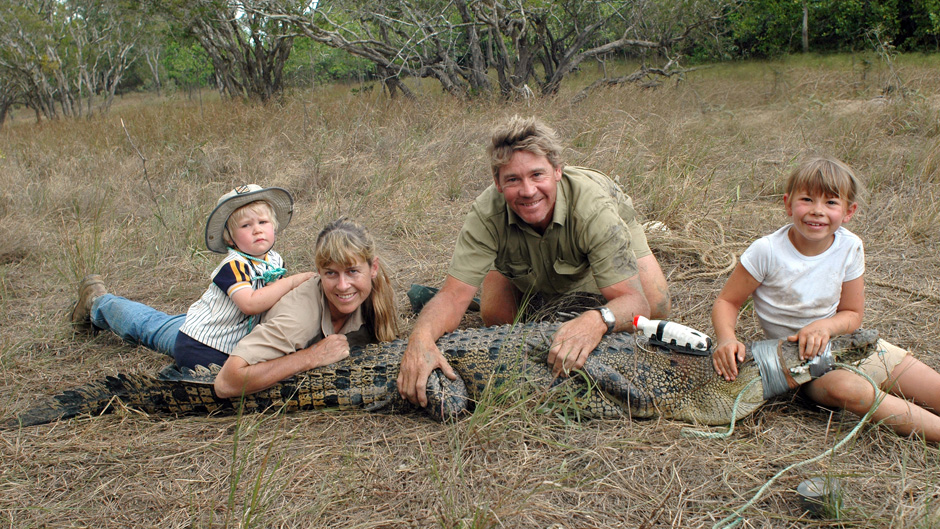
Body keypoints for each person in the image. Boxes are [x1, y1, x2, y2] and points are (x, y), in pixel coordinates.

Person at [398, 115, 670, 408]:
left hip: (600, 233)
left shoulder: (594, 209)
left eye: (537, 175)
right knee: (497, 318)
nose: (528, 191)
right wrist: (420, 338)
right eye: (513, 179)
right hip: (518, 254)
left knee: (655, 308)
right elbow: (452, 296)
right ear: (497, 182)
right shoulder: (486, 213)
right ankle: (479, 297)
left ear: (557, 171)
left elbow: (634, 301)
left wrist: (596, 320)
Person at [712, 156, 940, 442]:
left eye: (831, 202)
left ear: (848, 211)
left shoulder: (850, 246)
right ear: (788, 203)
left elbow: (852, 314)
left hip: (850, 345)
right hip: (803, 367)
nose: (817, 211)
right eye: (807, 199)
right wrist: (726, 338)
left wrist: (825, 327)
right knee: (852, 390)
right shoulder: (766, 251)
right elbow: (727, 302)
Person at [70, 184, 314, 369]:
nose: (257, 229)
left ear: (275, 227)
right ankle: (98, 303)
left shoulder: (274, 260)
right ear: (230, 238)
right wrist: (292, 281)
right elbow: (250, 304)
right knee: (148, 328)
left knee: (160, 323)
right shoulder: (234, 265)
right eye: (245, 226)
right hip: (206, 347)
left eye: (263, 222)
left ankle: (102, 303)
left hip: (222, 327)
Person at [213, 217, 399, 398]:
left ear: (373, 268)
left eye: (352, 271)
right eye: (331, 273)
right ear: (319, 272)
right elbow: (225, 383)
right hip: (210, 338)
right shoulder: (298, 320)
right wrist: (311, 357)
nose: (343, 285)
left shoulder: (378, 292)